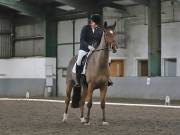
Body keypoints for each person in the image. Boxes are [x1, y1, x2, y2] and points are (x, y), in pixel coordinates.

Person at [75, 14, 113, 87]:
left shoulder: (100, 30)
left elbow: (101, 41)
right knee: (79, 60)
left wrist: (98, 47)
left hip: (96, 50)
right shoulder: (85, 28)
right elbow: (82, 40)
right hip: (84, 49)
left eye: (96, 23)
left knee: (109, 59)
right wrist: (89, 47)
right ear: (92, 21)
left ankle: (107, 77)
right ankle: (78, 80)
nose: (95, 24)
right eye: (94, 22)